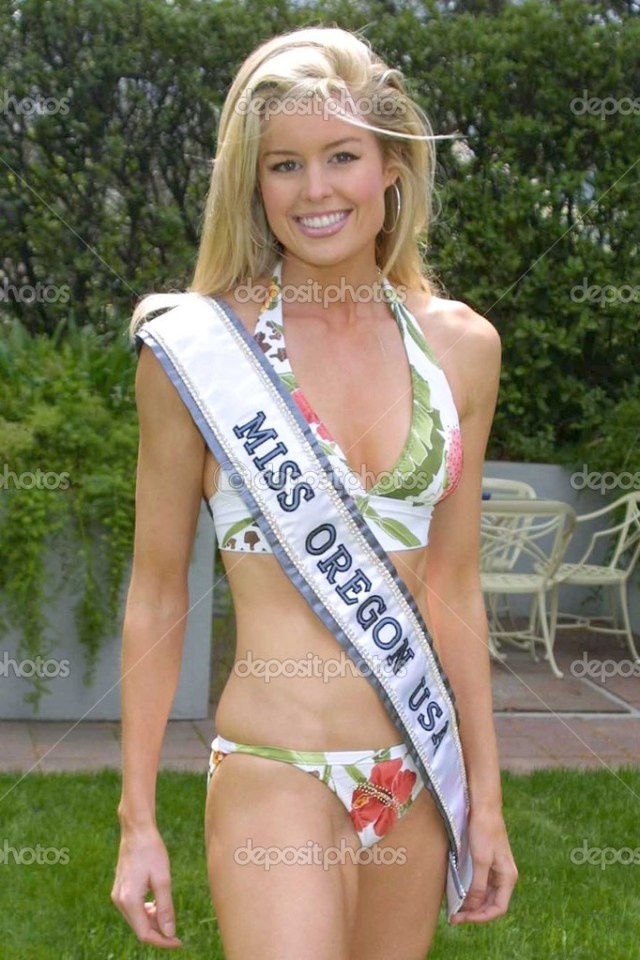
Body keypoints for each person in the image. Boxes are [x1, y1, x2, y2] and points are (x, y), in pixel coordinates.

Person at [111, 24, 517, 958]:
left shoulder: (461, 348)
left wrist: (484, 801)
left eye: (342, 157)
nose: (316, 190)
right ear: (254, 184)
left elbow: (454, 587)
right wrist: (139, 818)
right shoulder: (199, 353)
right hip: (273, 770)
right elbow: (158, 590)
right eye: (285, 165)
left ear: (391, 169)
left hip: (410, 775)